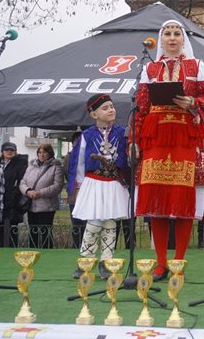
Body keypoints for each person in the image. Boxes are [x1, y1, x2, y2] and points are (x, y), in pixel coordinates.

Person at [131, 19, 204, 281]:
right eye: (167, 33)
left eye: (176, 33)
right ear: (161, 38)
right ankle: (160, 263)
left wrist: (192, 101)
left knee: (182, 201)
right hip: (156, 139)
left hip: (184, 138)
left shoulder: (197, 66)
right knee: (157, 201)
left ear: (183, 38)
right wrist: (133, 140)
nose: (171, 37)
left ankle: (178, 261)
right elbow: (141, 107)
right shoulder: (150, 68)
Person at [68, 94, 130, 279]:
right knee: (94, 221)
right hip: (94, 183)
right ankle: (86, 260)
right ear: (94, 115)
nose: (111, 110)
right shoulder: (86, 135)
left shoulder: (122, 132)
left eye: (112, 106)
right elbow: (78, 163)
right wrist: (77, 187)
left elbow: (127, 157)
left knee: (111, 221)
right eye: (105, 108)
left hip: (114, 183)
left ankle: (106, 261)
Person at [19, 144, 64, 249]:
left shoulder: (56, 167)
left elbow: (57, 186)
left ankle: (47, 255)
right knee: (32, 232)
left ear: (50, 153)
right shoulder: (31, 166)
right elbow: (23, 182)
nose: (42, 154)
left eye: (44, 152)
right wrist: (28, 191)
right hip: (31, 205)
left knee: (45, 233)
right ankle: (32, 254)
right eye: (39, 152)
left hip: (47, 206)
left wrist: (40, 193)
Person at [0, 142, 28, 247]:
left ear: (15, 152)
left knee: (12, 233)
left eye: (12, 150)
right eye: (6, 150)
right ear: (2, 152)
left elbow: (22, 182)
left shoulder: (20, 164)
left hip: (12, 204)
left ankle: (12, 256)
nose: (9, 152)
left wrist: (14, 197)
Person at [64, 131, 86, 248]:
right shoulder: (69, 156)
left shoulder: (89, 156)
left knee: (87, 221)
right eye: (76, 141)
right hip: (74, 192)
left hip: (87, 191)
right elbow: (67, 173)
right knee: (75, 221)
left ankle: (87, 245)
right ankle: (76, 244)